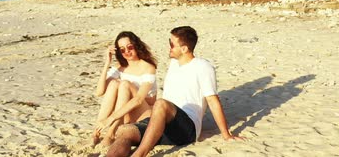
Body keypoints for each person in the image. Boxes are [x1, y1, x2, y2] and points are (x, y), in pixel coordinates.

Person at [106, 26, 241, 157]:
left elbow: (213, 101)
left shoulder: (203, 67)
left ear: (184, 48)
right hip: (162, 122)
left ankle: (139, 154)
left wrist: (226, 134)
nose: (169, 47)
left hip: (187, 128)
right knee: (125, 131)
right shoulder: (174, 64)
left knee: (161, 104)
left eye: (171, 44)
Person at [93, 31, 158, 146]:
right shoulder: (121, 67)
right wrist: (106, 63)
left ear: (136, 46)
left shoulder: (148, 67)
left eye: (130, 47)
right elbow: (99, 92)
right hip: (125, 114)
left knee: (125, 84)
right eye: (122, 49)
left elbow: (138, 100)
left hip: (144, 114)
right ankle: (96, 133)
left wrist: (111, 118)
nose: (127, 51)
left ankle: (110, 134)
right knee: (113, 83)